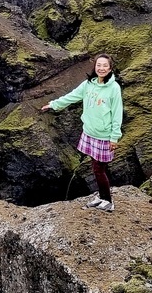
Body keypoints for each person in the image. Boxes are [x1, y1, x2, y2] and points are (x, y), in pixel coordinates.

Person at [41, 54, 123, 212]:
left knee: (99, 169)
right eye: (99, 65)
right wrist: (53, 104)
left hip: (104, 135)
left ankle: (108, 201)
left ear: (110, 68)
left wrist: (114, 137)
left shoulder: (114, 88)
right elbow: (72, 96)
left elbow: (117, 113)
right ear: (95, 67)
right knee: (95, 168)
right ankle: (101, 197)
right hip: (90, 132)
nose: (101, 68)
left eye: (105, 65)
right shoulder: (88, 85)